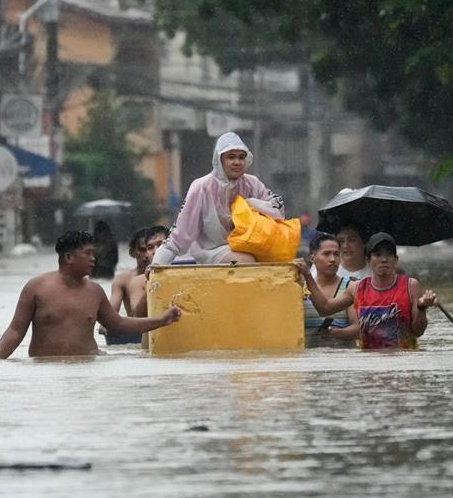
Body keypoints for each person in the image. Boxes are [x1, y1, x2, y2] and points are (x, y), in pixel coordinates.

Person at [0, 230, 181, 358]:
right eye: (88, 253)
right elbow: (15, 331)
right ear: (68, 257)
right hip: (46, 374)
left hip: (88, 371)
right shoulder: (36, 288)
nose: (94, 258)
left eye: (94, 253)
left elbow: (119, 323)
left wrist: (161, 320)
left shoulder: (94, 291)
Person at [150, 131, 284, 267]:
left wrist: (251, 204)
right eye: (231, 157)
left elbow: (277, 208)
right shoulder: (201, 187)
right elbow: (180, 233)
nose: (237, 162)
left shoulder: (252, 183)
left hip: (251, 245)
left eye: (241, 157)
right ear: (219, 160)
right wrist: (157, 264)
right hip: (212, 250)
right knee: (246, 262)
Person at [293, 232, 437, 350]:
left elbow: (418, 331)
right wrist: (307, 275)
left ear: (396, 260)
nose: (384, 259)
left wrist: (422, 308)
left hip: (403, 359)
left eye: (389, 255)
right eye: (378, 255)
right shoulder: (357, 288)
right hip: (369, 363)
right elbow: (324, 308)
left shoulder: (410, 285)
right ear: (368, 260)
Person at [302, 232, 354, 342]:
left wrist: (339, 333)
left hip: (342, 356)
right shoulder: (301, 290)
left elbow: (359, 328)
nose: (332, 259)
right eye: (326, 254)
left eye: (336, 254)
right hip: (309, 358)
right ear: (312, 258)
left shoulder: (350, 287)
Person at [108, 226, 151, 314]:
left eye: (151, 249)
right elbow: (110, 316)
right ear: (132, 252)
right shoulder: (122, 280)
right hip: (136, 327)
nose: (147, 254)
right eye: (142, 250)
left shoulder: (168, 276)